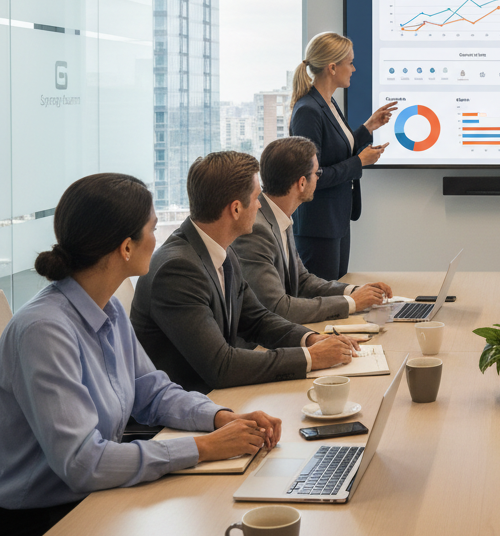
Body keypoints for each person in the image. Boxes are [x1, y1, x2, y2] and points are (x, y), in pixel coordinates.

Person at [0, 174, 282, 536]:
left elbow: (153, 393)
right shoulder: (43, 330)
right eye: (152, 227)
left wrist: (220, 418)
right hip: (43, 521)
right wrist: (203, 448)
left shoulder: (110, 309)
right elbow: (82, 463)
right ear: (126, 247)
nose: (158, 238)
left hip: (96, 497)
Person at [131, 151, 355, 394]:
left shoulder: (221, 249)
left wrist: (310, 339)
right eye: (257, 197)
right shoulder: (177, 270)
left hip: (218, 398)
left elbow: (257, 319)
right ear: (236, 209)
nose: (260, 205)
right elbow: (221, 366)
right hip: (179, 415)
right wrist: (309, 357)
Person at [232, 136, 394, 322]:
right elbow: (278, 308)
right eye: (317, 174)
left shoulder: (279, 216)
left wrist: (356, 291)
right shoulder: (257, 230)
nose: (318, 178)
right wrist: (351, 303)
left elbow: (302, 281)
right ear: (301, 183)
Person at [289, 32, 397, 279]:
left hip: (336, 220)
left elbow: (335, 152)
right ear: (333, 67)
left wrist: (368, 127)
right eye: (350, 63)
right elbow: (311, 176)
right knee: (324, 302)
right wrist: (360, 162)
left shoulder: (327, 102)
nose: (354, 68)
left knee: (337, 295)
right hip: (318, 226)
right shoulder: (308, 110)